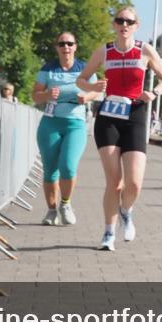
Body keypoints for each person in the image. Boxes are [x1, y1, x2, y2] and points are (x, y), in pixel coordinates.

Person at [77, 6, 162, 251]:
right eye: (120, 21)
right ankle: (108, 233)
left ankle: (126, 211)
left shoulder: (144, 50)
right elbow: (81, 79)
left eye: (129, 21)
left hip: (135, 114)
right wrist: (93, 87)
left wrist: (154, 92)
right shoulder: (104, 51)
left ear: (136, 26)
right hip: (109, 116)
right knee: (114, 182)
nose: (124, 25)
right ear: (114, 24)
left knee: (134, 184)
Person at [32, 32, 99, 226]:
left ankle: (66, 204)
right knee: (50, 170)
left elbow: (95, 90)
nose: (66, 47)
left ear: (75, 46)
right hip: (50, 123)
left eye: (69, 43)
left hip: (75, 124)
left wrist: (86, 97)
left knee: (68, 167)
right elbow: (35, 95)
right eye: (61, 44)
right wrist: (46, 95)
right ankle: (51, 211)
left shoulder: (85, 68)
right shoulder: (48, 69)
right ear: (57, 47)